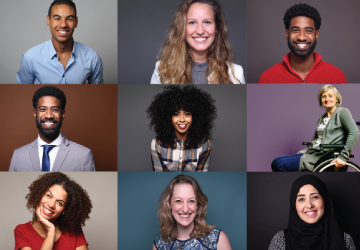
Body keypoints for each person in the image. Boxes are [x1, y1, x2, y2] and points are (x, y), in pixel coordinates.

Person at [150, 0, 245, 84]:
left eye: (207, 22)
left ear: (217, 28)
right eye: (192, 22)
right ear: (182, 28)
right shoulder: (162, 69)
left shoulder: (236, 73)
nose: (200, 31)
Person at [272, 85, 359, 171]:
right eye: (324, 96)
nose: (327, 99)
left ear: (337, 98)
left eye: (330, 96)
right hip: (311, 152)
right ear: (321, 100)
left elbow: (354, 133)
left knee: (279, 164)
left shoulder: (343, 112)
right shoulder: (323, 117)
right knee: (276, 161)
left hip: (323, 155)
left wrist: (343, 156)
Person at [9, 86, 95, 171]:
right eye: (43, 109)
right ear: (35, 113)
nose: (49, 115)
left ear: (63, 114)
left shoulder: (83, 155)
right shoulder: (18, 155)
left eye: (55, 110)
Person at [17, 0, 103, 84]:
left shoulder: (92, 58)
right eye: (57, 18)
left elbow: (97, 94)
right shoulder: (30, 58)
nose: (63, 25)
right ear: (48, 20)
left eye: (69, 19)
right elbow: (23, 93)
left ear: (76, 22)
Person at [259, 3, 346, 83]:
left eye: (308, 31)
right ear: (287, 33)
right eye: (295, 30)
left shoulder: (336, 77)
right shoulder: (268, 78)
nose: (301, 37)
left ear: (316, 34)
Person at [268, 175, 356, 250]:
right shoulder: (280, 240)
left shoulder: (345, 240)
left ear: (324, 200)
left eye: (315, 197)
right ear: (294, 205)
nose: (309, 205)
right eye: (301, 199)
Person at [14, 172, 92, 250]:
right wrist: (51, 232)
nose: (51, 205)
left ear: (66, 209)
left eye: (60, 203)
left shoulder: (74, 230)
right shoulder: (22, 231)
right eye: (48, 195)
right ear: (39, 195)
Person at [147, 85, 216, 171]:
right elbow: (158, 175)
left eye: (187, 114)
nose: (182, 120)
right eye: (176, 114)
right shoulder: (157, 144)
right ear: (168, 117)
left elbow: (201, 174)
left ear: (195, 116)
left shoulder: (205, 144)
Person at [153, 174, 232, 249]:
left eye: (191, 201)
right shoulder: (159, 245)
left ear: (198, 205)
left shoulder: (217, 239)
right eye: (178, 201)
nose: (185, 210)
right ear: (169, 204)